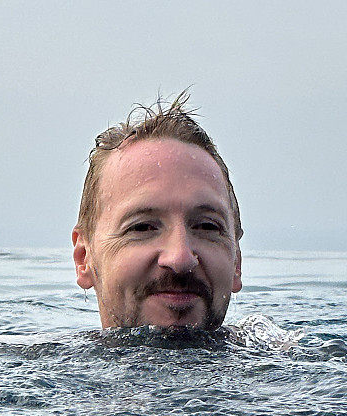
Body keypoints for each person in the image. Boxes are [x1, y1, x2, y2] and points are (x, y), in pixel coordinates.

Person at [71, 92, 243, 330]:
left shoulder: (281, 358)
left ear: (237, 262)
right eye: (142, 227)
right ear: (84, 258)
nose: (180, 259)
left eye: (207, 226)